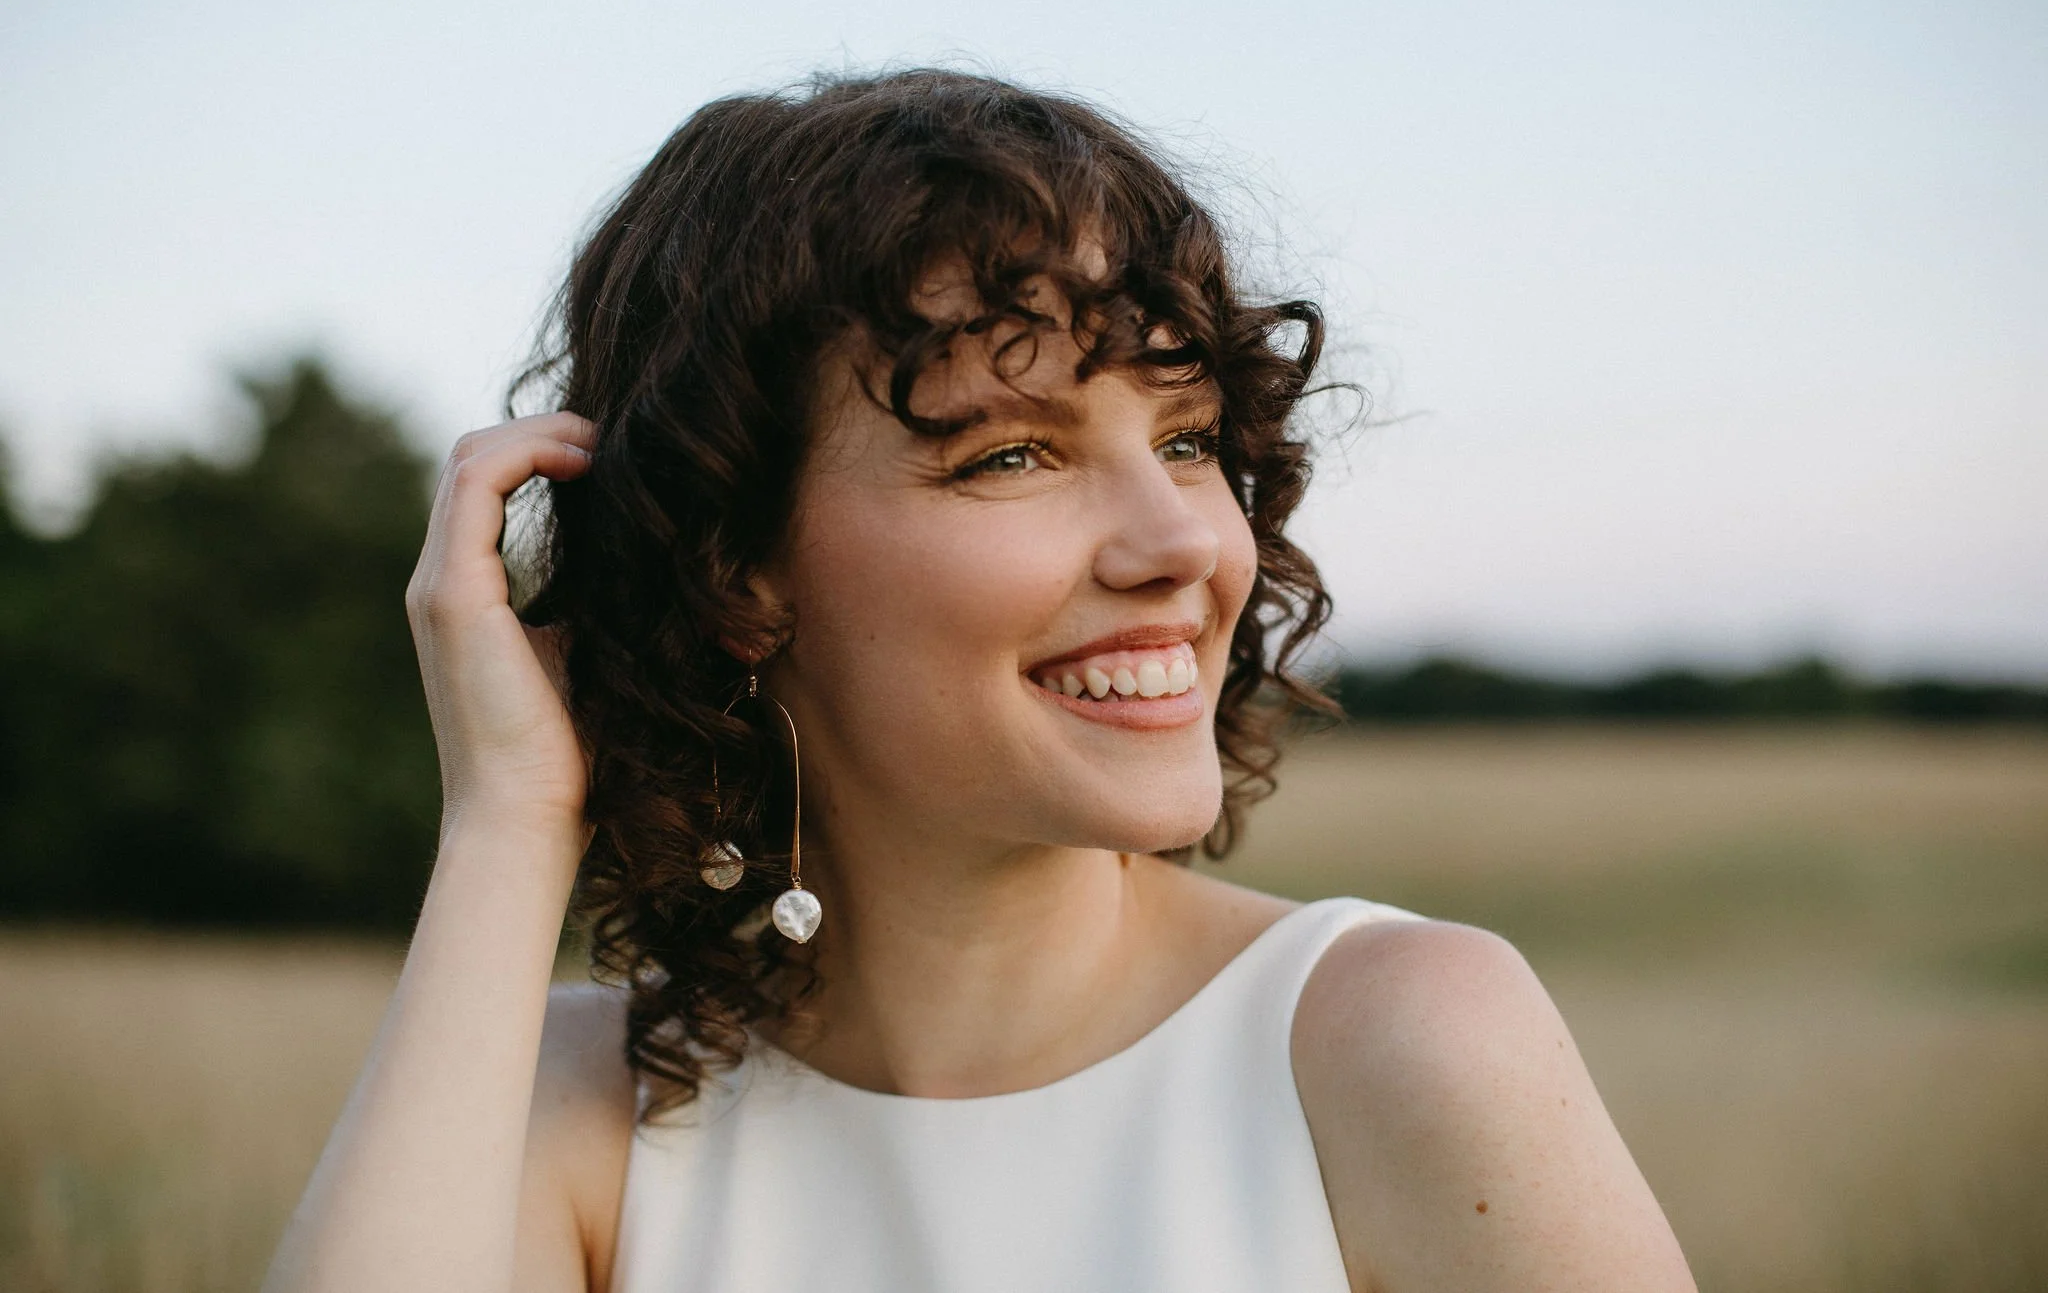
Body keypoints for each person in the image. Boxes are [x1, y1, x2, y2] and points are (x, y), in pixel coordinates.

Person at [262, 67, 1695, 1293]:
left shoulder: (1396, 1038)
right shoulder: (575, 1104)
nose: (1184, 542)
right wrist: (511, 819)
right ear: (739, 570)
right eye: (1013, 452)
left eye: (1190, 438)